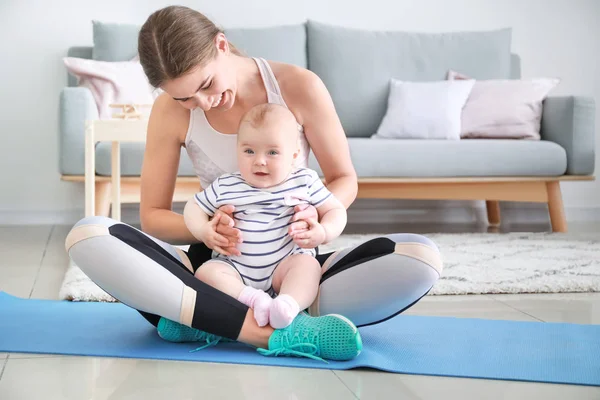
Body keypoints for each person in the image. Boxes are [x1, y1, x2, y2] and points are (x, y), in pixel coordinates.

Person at [64, 5, 443, 361]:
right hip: (219, 267)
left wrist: (319, 221)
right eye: (185, 98)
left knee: (419, 260)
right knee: (90, 236)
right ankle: (282, 334)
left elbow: (344, 179)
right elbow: (153, 216)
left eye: (207, 84)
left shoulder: (298, 86)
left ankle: (208, 321)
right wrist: (207, 231)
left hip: (291, 258)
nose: (205, 102)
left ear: (222, 45)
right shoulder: (169, 112)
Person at [185, 102, 349, 332]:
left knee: (308, 267)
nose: (259, 160)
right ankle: (252, 300)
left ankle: (288, 305)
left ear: (293, 155)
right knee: (206, 273)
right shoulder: (227, 184)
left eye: (272, 152)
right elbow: (193, 206)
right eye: (249, 151)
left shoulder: (304, 181)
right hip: (235, 268)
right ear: (237, 149)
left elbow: (336, 210)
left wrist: (323, 232)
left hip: (284, 265)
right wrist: (204, 231)